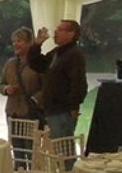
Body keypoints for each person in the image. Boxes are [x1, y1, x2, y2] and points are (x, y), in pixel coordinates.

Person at [27, 19, 87, 148]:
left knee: (63, 148)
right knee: (56, 148)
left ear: (71, 34)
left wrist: (73, 106)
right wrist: (37, 45)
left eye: (60, 29)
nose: (55, 32)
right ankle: (63, 168)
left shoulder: (74, 54)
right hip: (52, 109)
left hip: (63, 110)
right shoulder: (57, 52)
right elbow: (38, 65)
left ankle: (68, 169)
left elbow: (78, 82)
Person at [0, 27, 44, 169]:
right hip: (13, 113)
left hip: (30, 114)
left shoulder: (38, 63)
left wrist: (35, 100)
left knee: (31, 152)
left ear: (29, 43)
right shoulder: (10, 63)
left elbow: (46, 87)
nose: (16, 44)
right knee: (17, 152)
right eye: (14, 42)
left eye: (20, 41)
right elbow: (0, 83)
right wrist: (6, 89)